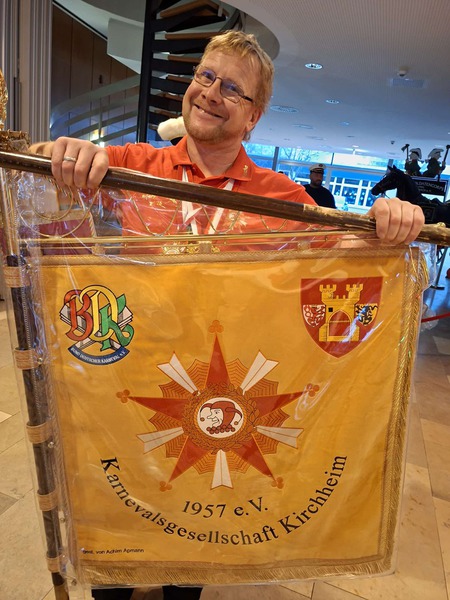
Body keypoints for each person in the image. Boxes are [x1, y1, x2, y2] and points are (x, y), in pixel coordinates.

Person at [29, 29, 425, 600]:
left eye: (232, 89)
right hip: (125, 393)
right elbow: (36, 173)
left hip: (226, 403)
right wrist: (63, 153)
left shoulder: (282, 199)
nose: (211, 93)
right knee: (113, 558)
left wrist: (390, 219)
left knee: (192, 560)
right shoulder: (129, 166)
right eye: (205, 77)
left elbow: (351, 257)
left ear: (253, 116)